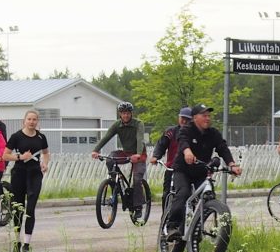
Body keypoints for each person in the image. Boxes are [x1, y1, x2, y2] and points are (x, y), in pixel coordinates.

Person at [165, 103, 241, 241]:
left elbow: (222, 148)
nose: (207, 118)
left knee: (208, 197)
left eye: (209, 116)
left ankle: (196, 229)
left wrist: (232, 164)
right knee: (183, 193)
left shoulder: (213, 133)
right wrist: (187, 152)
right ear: (195, 118)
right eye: (204, 115)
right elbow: (183, 141)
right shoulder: (187, 129)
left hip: (201, 171)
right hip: (183, 170)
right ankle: (172, 226)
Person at [3, 110, 50, 252]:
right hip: (19, 173)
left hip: (35, 174)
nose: (32, 122)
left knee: (30, 209)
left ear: (37, 122)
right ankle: (17, 242)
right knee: (19, 208)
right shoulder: (16, 136)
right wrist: (20, 156)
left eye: (34, 119)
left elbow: (46, 152)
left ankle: (27, 244)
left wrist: (45, 163)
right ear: (24, 121)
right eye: (29, 119)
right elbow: (5, 155)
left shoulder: (41, 137)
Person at [91, 101, 147, 220]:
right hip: (125, 152)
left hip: (139, 153)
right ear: (119, 114)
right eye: (123, 113)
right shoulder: (117, 125)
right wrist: (96, 150)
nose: (125, 116)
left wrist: (137, 154)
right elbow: (106, 137)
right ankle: (114, 183)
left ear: (131, 114)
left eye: (127, 113)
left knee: (137, 179)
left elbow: (140, 138)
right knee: (111, 158)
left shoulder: (138, 124)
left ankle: (138, 207)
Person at [150, 107, 192, 202]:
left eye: (187, 119)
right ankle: (165, 216)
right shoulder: (171, 132)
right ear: (179, 118)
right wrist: (156, 156)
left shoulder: (193, 133)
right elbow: (161, 144)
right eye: (182, 118)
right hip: (171, 168)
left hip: (187, 170)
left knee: (188, 195)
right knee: (166, 194)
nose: (184, 121)